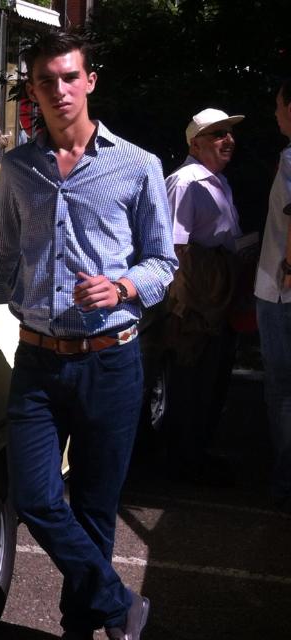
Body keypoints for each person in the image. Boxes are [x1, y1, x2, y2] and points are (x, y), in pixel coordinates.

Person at [0, 31, 176, 640]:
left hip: (111, 363)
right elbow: (2, 250)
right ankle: (120, 603)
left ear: (89, 81)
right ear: (32, 91)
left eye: (69, 77)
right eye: (46, 81)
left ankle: (79, 629)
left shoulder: (137, 165)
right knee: (35, 499)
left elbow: (164, 264)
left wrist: (122, 287)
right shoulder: (18, 168)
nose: (59, 90)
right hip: (37, 361)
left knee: (95, 511)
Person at [162, 107, 247, 485]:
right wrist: (185, 307)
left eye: (229, 133)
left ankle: (196, 456)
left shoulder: (217, 180)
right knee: (189, 380)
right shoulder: (185, 182)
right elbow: (174, 250)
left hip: (216, 294)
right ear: (195, 144)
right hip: (196, 298)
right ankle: (182, 464)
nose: (228, 139)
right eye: (218, 134)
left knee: (210, 379)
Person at [255, 78, 291, 514]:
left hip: (281, 290)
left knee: (282, 389)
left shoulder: (290, 158)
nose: (275, 113)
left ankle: (284, 482)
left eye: (279, 105)